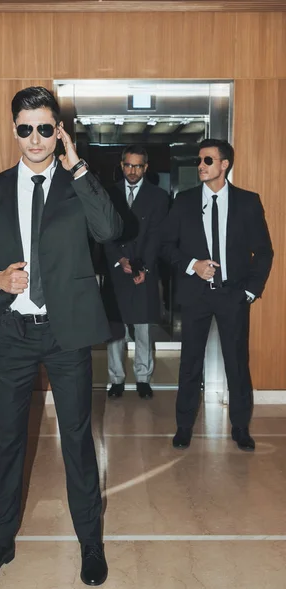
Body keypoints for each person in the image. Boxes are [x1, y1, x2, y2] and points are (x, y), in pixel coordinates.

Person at [0, 86, 122, 587]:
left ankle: (90, 543)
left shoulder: (79, 184)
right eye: (26, 128)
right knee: (8, 440)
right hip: (11, 331)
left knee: (76, 439)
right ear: (15, 131)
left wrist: (78, 168)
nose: (36, 138)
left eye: (46, 128)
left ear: (59, 131)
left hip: (66, 331)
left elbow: (111, 229)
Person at [161, 139, 273, 451]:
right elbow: (166, 246)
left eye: (208, 160)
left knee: (237, 363)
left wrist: (249, 292)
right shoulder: (183, 202)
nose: (201, 165)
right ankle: (184, 426)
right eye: (199, 160)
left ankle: (240, 427)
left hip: (233, 296)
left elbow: (263, 252)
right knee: (189, 363)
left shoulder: (248, 202)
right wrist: (192, 265)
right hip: (196, 296)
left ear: (224, 165)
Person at [102, 145, 169, 398]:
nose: (133, 170)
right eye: (128, 165)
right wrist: (120, 260)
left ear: (146, 167)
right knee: (115, 328)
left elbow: (156, 237)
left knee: (142, 327)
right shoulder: (109, 194)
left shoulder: (159, 197)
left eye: (138, 166)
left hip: (144, 269)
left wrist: (142, 266)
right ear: (121, 165)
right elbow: (102, 234)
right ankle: (116, 379)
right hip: (117, 269)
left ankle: (143, 378)